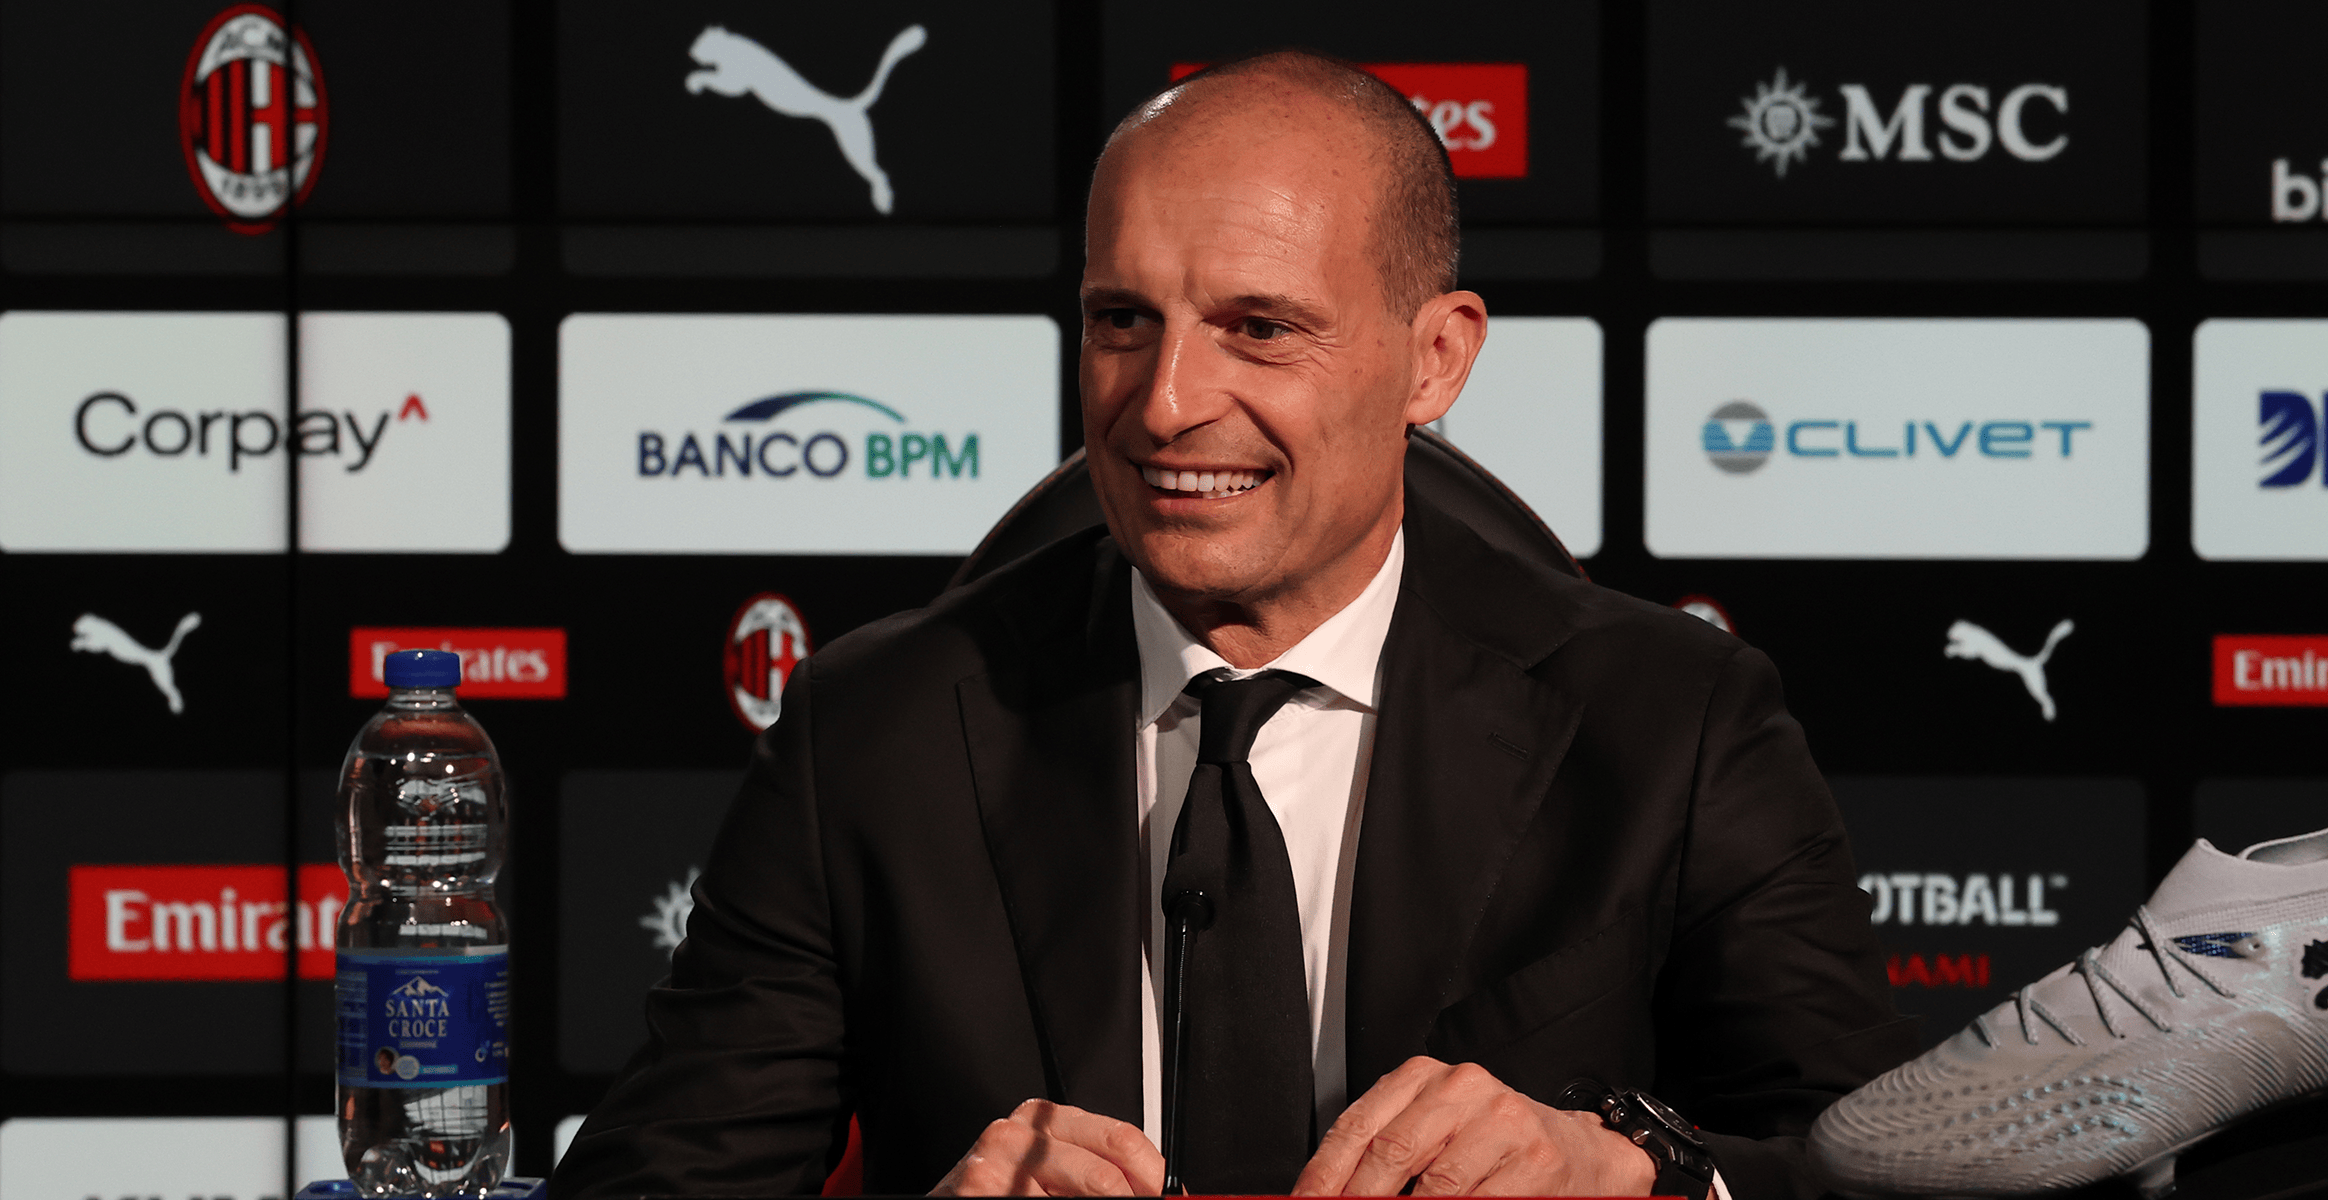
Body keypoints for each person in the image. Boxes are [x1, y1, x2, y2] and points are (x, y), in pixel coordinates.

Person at [553, 51, 1907, 1200]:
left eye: (1260, 329)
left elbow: (1873, 1166)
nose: (1163, 405)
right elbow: (648, 1185)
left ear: (1434, 358)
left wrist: (1644, 1172)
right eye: (1121, 321)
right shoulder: (874, 730)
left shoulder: (1674, 721)